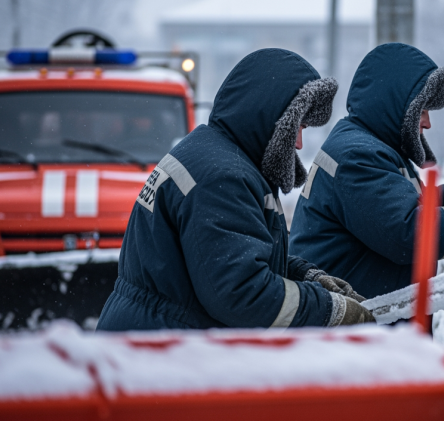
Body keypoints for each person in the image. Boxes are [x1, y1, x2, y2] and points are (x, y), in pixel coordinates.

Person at [96, 48, 374, 331]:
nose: (299, 143)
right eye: (297, 127)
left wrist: (305, 276)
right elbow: (243, 293)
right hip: (160, 345)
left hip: (154, 333)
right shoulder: (223, 178)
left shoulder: (214, 157)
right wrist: (329, 309)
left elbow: (233, 256)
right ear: (274, 117)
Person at [288, 43, 444, 300]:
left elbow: (422, 205)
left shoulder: (367, 147)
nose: (427, 123)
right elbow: (410, 233)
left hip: (363, 315)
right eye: (422, 110)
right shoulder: (357, 157)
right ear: (396, 104)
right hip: (357, 320)